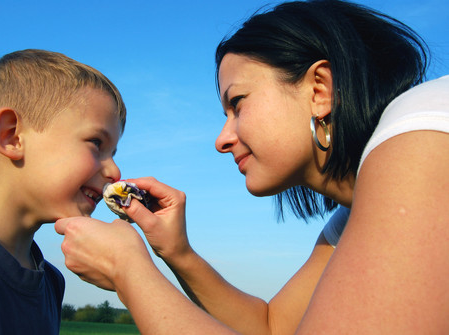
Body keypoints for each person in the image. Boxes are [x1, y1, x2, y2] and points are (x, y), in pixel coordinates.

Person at [55, 0, 449, 334]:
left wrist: (130, 271)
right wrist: (176, 252)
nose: (221, 139)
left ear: (319, 90)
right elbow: (271, 327)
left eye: (238, 104)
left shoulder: (423, 130)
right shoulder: (352, 216)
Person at [0, 49, 126, 334]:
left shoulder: (52, 282)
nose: (115, 172)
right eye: (96, 143)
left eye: (113, 153)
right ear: (12, 136)